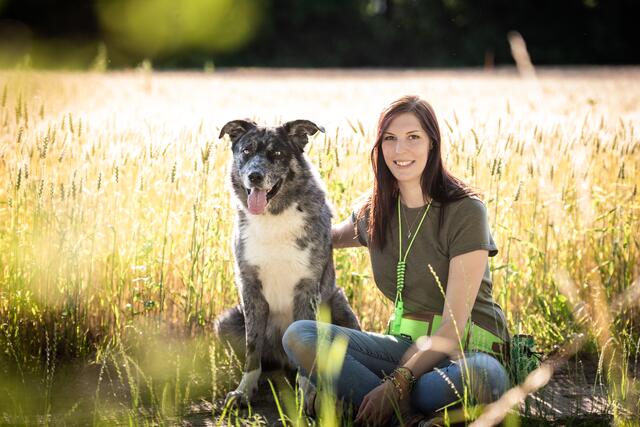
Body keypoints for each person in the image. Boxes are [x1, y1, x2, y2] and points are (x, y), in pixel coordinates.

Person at [282, 95, 510, 426]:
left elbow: (453, 328)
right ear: (379, 147)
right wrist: (276, 216)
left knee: (483, 377)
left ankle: (371, 402)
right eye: (390, 139)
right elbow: (323, 237)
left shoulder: (465, 211)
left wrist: (396, 384)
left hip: (465, 353)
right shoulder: (376, 212)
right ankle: (408, 417)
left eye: (413, 137)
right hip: (404, 350)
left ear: (433, 143)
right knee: (299, 336)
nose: (400, 150)